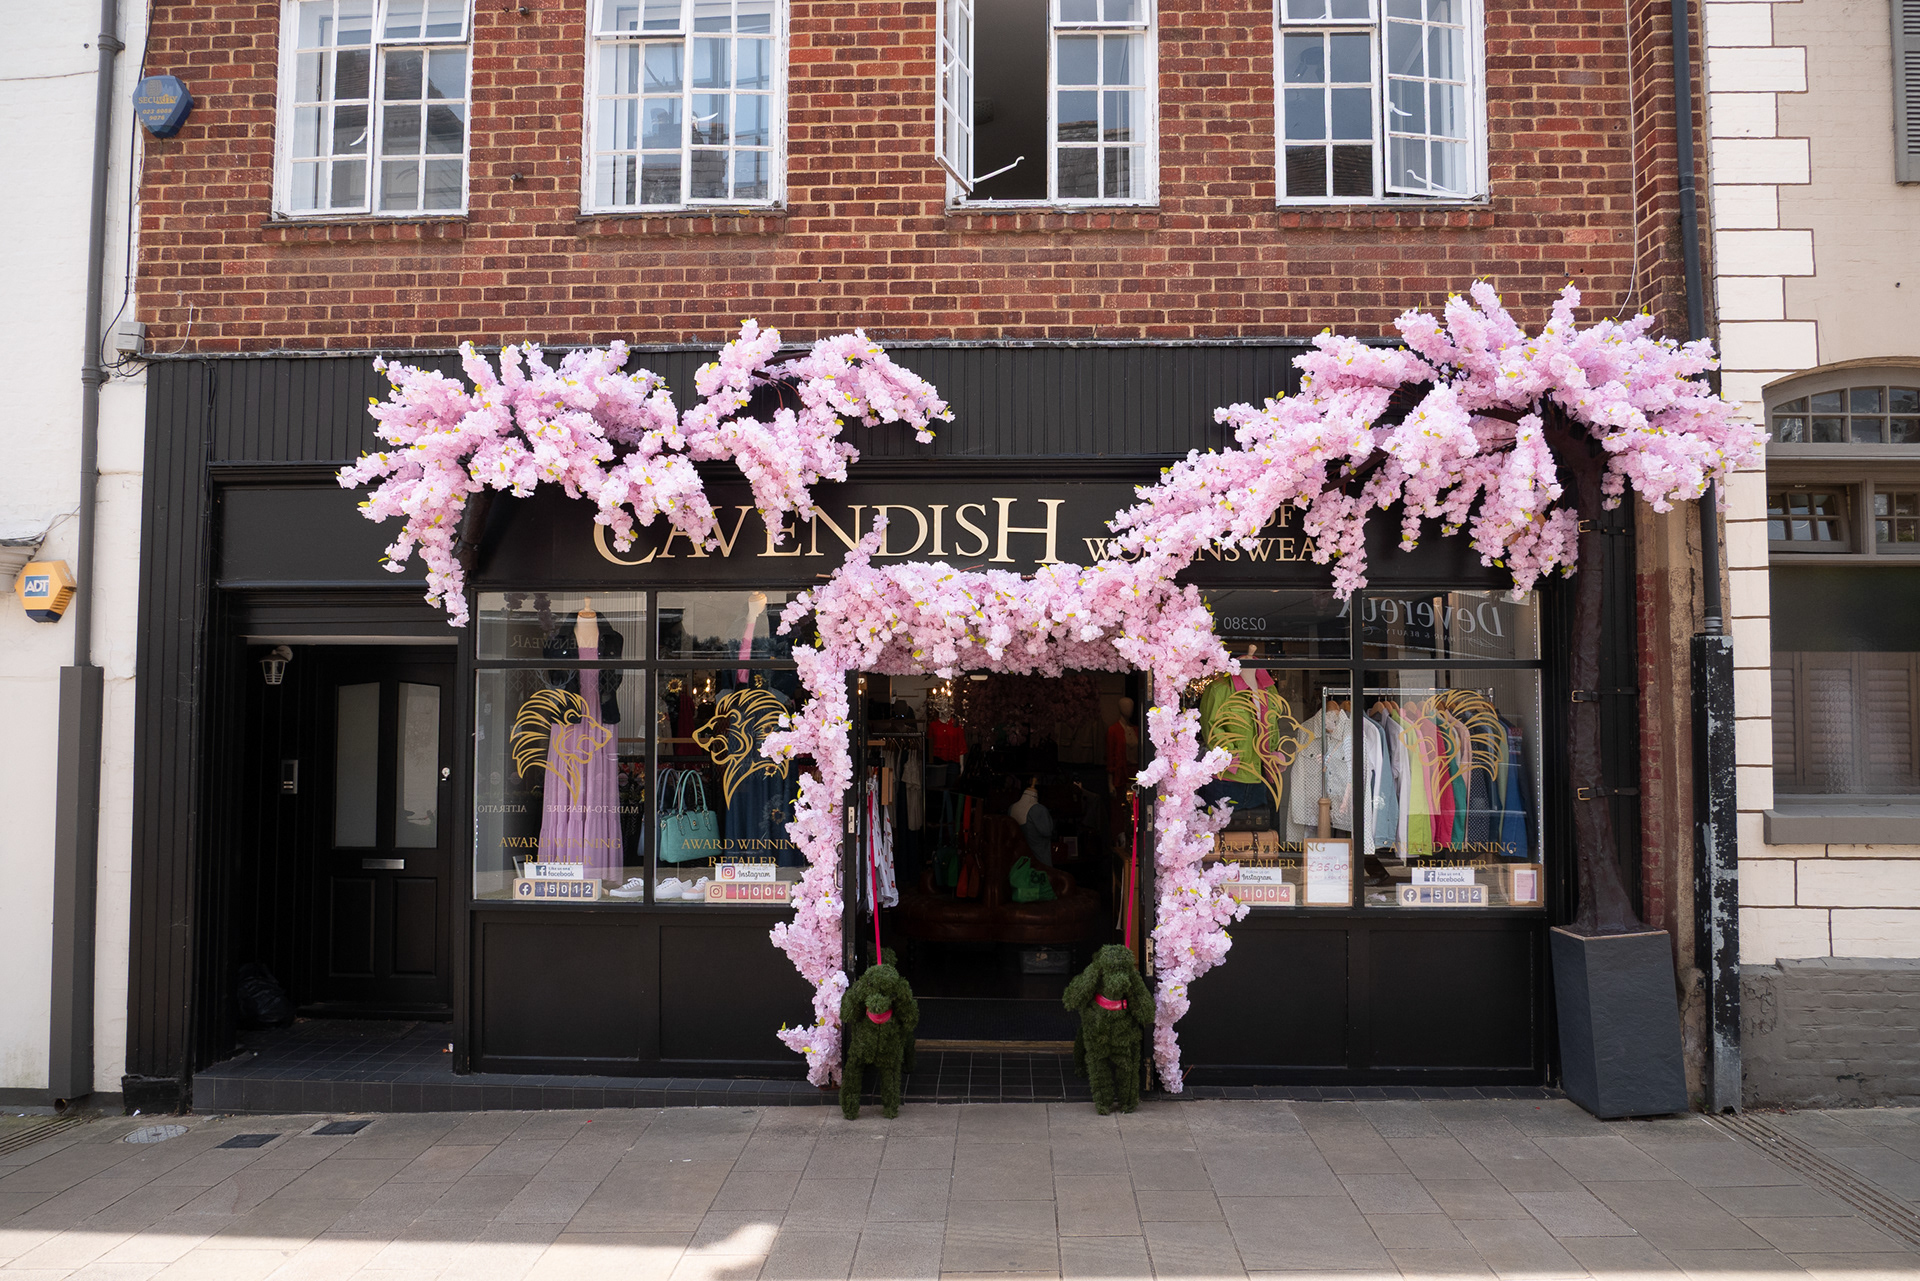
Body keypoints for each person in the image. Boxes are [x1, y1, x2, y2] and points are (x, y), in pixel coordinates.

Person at [1008, 775, 1055, 865]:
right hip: (1039, 859)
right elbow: (1047, 832)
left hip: (1019, 860)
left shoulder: (1012, 808)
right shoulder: (1038, 809)